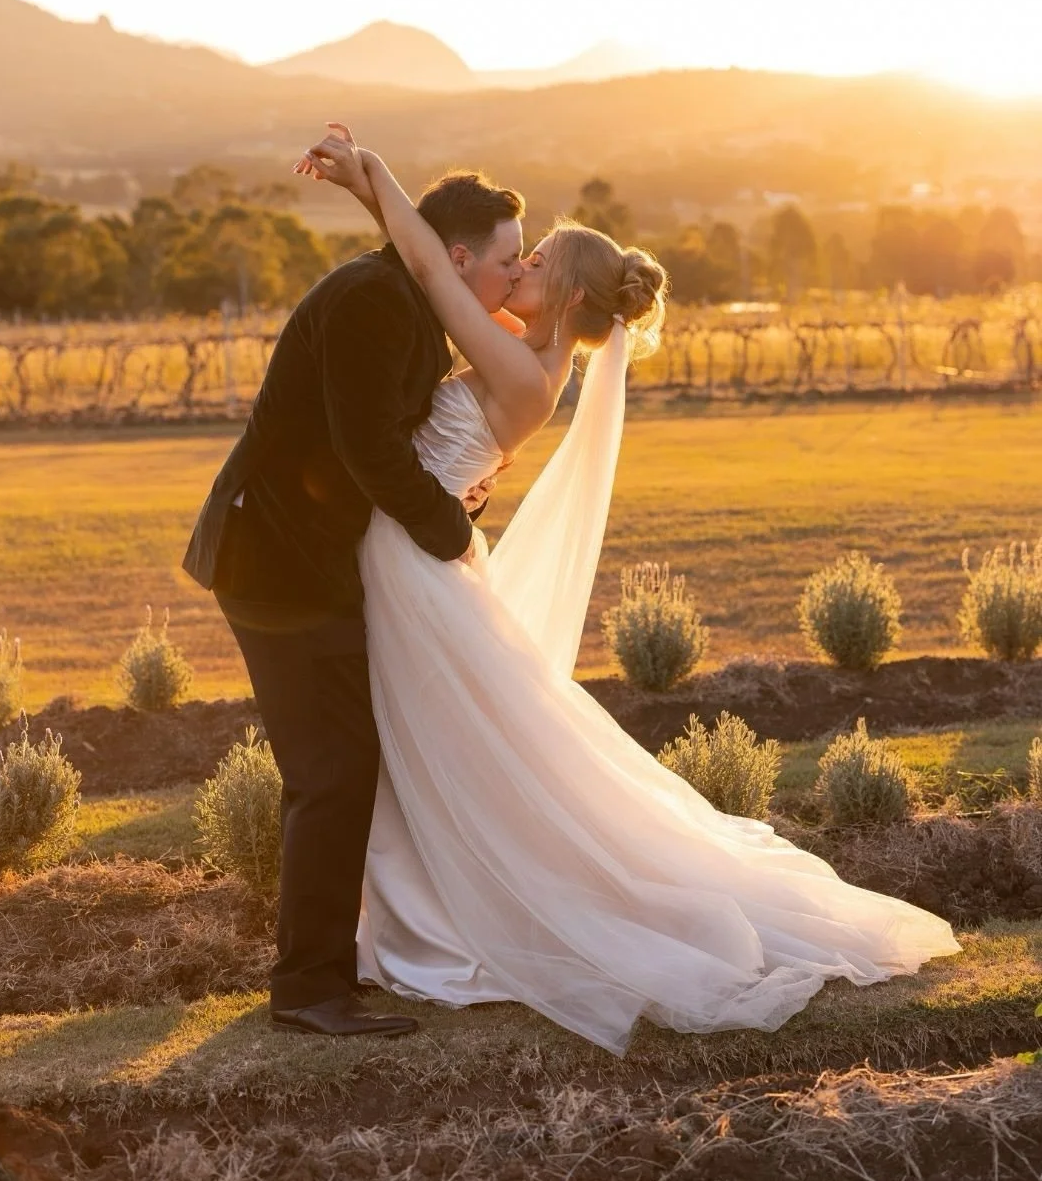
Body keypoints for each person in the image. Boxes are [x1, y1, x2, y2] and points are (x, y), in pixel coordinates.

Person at [294, 125, 960, 1056]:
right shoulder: (528, 354)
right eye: (517, 257)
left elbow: (432, 265)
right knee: (436, 748)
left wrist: (372, 177)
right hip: (415, 554)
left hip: (413, 565)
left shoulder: (522, 368)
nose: (517, 267)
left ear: (567, 297)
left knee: (429, 747)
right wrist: (374, 194)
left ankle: (435, 926)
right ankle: (415, 919)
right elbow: (436, 269)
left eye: (533, 262)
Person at [183, 153, 526, 1038]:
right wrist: (453, 535)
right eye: (506, 260)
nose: (514, 275)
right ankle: (307, 989)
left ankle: (340, 965)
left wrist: (458, 495)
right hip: (276, 563)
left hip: (314, 562)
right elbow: (368, 451)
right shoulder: (374, 301)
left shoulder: (404, 299)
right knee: (330, 773)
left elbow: (391, 443)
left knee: (344, 765)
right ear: (456, 258)